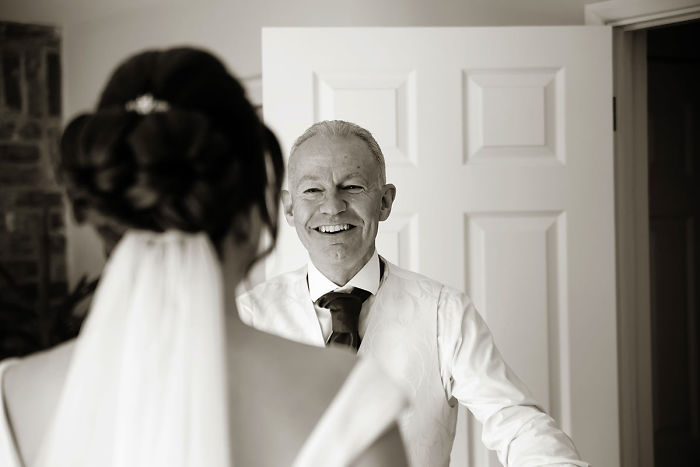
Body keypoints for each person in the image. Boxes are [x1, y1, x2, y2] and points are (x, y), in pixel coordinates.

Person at [0, 50, 408, 467]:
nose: (332, 206)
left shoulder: (12, 398)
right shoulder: (349, 402)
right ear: (256, 217)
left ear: (107, 218)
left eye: (352, 187)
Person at [237, 120, 589, 467]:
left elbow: (513, 420)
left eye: (353, 187)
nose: (332, 206)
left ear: (385, 202)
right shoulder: (248, 317)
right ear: (288, 207)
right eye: (312, 190)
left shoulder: (444, 312)